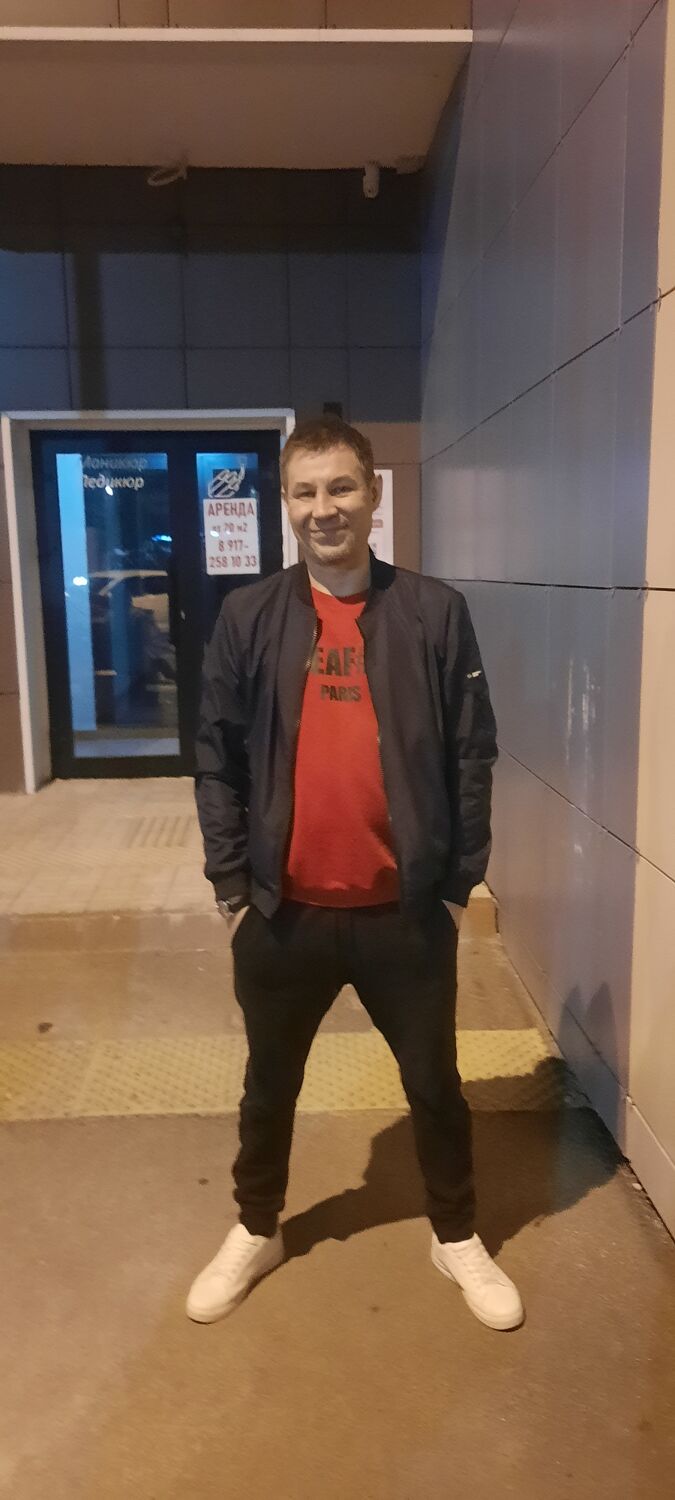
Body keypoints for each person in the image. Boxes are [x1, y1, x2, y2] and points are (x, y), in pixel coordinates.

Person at [188, 417, 524, 1333]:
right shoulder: (250, 616)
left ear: (373, 496)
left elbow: (471, 753)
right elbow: (215, 757)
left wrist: (454, 885)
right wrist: (231, 886)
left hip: (401, 915)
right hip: (281, 914)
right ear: (285, 504)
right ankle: (256, 1227)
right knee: (268, 1087)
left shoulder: (432, 611)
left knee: (434, 1085)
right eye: (304, 491)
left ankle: (455, 1234)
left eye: (340, 487)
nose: (323, 508)